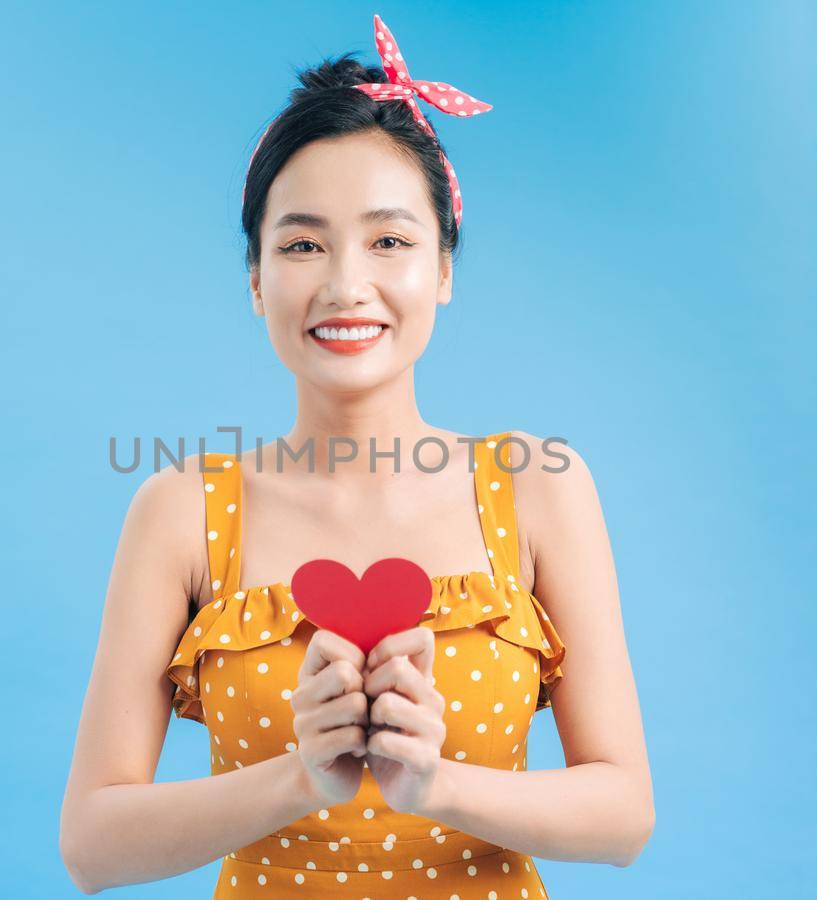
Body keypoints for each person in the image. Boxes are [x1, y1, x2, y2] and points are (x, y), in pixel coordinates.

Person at [59, 15, 652, 896]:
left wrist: (437, 784)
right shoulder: (181, 507)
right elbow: (93, 843)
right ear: (256, 278)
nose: (345, 284)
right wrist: (299, 777)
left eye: (390, 240)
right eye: (301, 244)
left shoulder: (536, 486)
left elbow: (623, 815)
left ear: (444, 270)